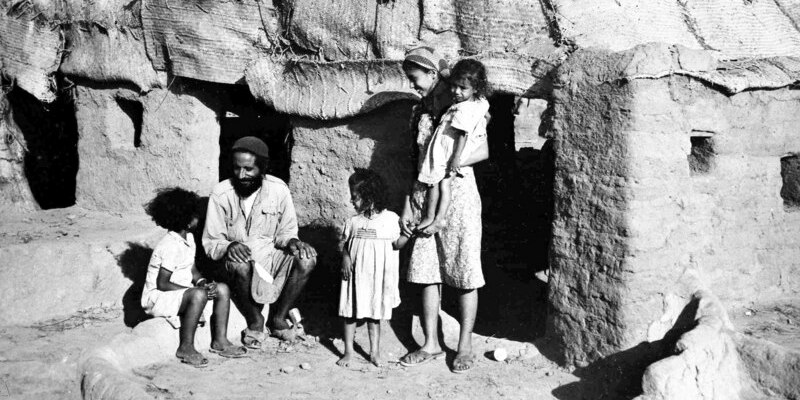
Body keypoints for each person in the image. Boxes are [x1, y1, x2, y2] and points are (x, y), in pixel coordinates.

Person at [399, 48, 489, 373]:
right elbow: (416, 162)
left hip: (459, 191)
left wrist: (448, 167)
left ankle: (464, 346)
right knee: (425, 270)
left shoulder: (465, 107)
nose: (413, 86)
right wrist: (411, 199)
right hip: (427, 194)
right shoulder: (422, 112)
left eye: (415, 79)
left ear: (432, 74)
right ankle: (431, 343)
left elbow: (483, 151)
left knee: (464, 268)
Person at [202, 136, 317, 348]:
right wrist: (229, 246)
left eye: (248, 169)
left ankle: (279, 319)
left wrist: (293, 242)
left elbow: (286, 231)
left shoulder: (279, 189)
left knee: (307, 259)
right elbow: (211, 242)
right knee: (241, 264)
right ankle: (256, 321)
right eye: (236, 169)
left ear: (262, 168)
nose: (241, 175)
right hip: (235, 263)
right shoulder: (221, 194)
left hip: (268, 256)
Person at [141, 187, 246, 368]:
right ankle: (186, 347)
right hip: (159, 297)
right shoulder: (169, 245)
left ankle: (220, 340)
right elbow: (162, 283)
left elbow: (193, 270)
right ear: (186, 220)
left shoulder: (189, 238)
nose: (199, 218)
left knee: (222, 289)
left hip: (182, 292)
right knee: (198, 295)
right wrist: (195, 291)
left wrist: (203, 283)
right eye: (195, 216)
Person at [337, 169, 409, 368]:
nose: (352, 202)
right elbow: (344, 244)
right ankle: (348, 351)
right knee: (349, 312)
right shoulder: (353, 221)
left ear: (369, 197)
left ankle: (374, 352)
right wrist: (345, 258)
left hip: (376, 276)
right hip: (354, 275)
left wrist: (409, 234)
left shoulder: (390, 219)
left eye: (355, 197)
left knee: (374, 313)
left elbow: (396, 244)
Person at [416, 59, 491, 233]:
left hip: (452, 154)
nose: (456, 92)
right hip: (450, 151)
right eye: (454, 86)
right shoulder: (477, 103)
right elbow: (487, 115)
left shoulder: (463, 110)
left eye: (462, 88)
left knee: (441, 184)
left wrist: (456, 157)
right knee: (436, 183)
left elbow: (463, 135)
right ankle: (431, 218)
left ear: (475, 88)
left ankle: (437, 219)